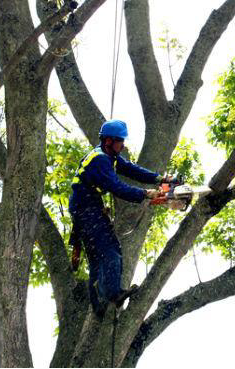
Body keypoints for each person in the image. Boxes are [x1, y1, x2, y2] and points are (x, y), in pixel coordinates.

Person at [68, 119, 172, 319]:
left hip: (87, 209)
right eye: (120, 141)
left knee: (99, 259)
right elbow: (118, 188)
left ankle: (99, 306)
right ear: (108, 141)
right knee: (111, 252)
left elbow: (132, 170)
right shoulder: (99, 159)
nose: (123, 145)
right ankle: (114, 294)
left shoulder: (109, 156)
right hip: (87, 210)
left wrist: (160, 179)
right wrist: (146, 194)